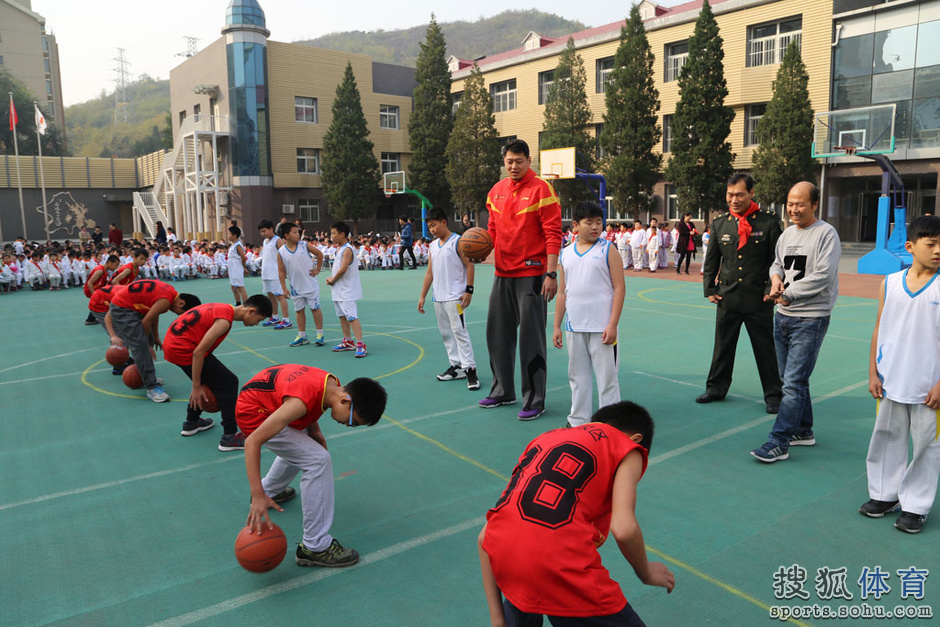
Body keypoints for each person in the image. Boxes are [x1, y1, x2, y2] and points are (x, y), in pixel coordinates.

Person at [478, 401, 675, 626]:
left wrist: (497, 618)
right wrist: (646, 573)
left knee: (526, 588)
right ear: (636, 440)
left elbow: (485, 537)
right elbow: (623, 528)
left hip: (508, 559)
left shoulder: (546, 438)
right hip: (561, 565)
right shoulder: (627, 448)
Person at [238, 364, 387, 567]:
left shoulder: (331, 384)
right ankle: (315, 546)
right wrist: (256, 496)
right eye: (353, 421)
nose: (348, 425)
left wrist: (314, 429)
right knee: (318, 460)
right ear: (346, 401)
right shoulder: (301, 402)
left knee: (307, 449)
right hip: (256, 414)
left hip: (266, 402)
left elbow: (309, 401)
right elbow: (252, 442)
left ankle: (270, 490)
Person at [750, 182, 841, 462]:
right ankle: (803, 430)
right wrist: (776, 279)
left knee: (792, 382)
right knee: (791, 379)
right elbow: (777, 263)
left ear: (815, 205)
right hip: (783, 316)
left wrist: (788, 293)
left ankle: (779, 441)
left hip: (810, 318)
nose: (794, 209)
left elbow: (823, 276)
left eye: (800, 204)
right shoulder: (787, 233)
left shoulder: (826, 234)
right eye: (790, 203)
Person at [861, 215, 940, 534]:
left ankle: (915, 505)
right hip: (891, 379)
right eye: (931, 244)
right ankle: (884, 494)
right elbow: (880, 327)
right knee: (886, 437)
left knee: (926, 446)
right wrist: (873, 372)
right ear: (910, 246)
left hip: (928, 386)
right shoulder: (890, 283)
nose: (938, 251)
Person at [480, 139, 562, 421]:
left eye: (519, 161)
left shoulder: (542, 189)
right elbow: (490, 232)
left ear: (529, 161)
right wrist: (479, 249)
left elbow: (553, 234)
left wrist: (551, 273)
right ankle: (503, 391)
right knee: (497, 335)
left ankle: (535, 399)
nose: (513, 166)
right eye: (509, 161)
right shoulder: (496, 192)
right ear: (504, 162)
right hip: (502, 273)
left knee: (531, 340)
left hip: (532, 274)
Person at [697, 173, 783, 414]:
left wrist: (770, 289)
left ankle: (773, 394)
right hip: (728, 296)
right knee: (723, 346)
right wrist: (709, 289)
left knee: (765, 348)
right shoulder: (720, 223)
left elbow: (777, 260)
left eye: (739, 194)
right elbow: (712, 259)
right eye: (730, 194)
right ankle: (716, 388)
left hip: (759, 298)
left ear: (751, 193)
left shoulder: (768, 222)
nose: (734, 200)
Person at [163, 296, 272, 451]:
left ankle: (191, 422)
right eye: (258, 319)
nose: (256, 323)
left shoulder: (222, 307)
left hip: (175, 344)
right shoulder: (224, 320)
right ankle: (230, 436)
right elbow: (198, 353)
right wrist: (196, 386)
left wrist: (200, 382)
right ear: (251, 311)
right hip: (184, 350)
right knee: (229, 382)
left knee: (213, 379)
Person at [553, 201, 625, 428]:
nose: (595, 227)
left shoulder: (607, 249)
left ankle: (610, 423)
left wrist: (612, 324)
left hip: (602, 327)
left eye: (598, 222)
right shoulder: (565, 254)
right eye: (589, 222)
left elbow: (619, 288)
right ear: (575, 225)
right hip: (575, 326)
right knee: (578, 377)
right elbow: (563, 292)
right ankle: (578, 420)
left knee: (607, 378)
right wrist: (557, 325)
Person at [105, 279, 200, 402]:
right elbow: (146, 321)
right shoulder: (166, 301)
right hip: (123, 309)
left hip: (133, 306)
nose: (178, 315)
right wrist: (147, 346)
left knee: (148, 340)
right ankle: (151, 387)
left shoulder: (170, 294)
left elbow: (153, 315)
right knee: (141, 346)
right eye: (181, 313)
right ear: (181, 303)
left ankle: (145, 375)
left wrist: (155, 337)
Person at [417, 208, 480, 391]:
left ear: (444, 222)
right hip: (438, 297)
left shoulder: (458, 242)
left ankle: (471, 370)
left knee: (460, 331)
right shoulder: (432, 246)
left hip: (455, 297)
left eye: (434, 225)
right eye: (429, 227)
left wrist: (469, 290)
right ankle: (456, 366)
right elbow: (430, 272)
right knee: (446, 333)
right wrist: (423, 295)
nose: (432, 229)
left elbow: (469, 266)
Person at [277, 222, 326, 347]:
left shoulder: (304, 245)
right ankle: (302, 335)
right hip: (295, 287)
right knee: (299, 311)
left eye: (298, 232)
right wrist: (284, 288)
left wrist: (317, 269)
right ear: (286, 235)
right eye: (294, 232)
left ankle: (320, 334)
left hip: (310, 285)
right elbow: (281, 271)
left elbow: (320, 254)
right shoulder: (281, 252)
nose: (298, 234)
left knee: (315, 309)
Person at [325, 221, 367, 357]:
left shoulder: (347, 249)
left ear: (342, 234)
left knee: (352, 317)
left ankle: (360, 344)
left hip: (346, 291)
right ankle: (348, 341)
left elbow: (343, 269)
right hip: (338, 289)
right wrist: (332, 280)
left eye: (333, 233)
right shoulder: (338, 249)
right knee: (342, 316)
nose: (331, 236)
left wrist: (332, 279)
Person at [257, 220, 292, 329]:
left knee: (280, 296)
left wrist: (285, 271)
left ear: (271, 229)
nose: (263, 233)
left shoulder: (278, 241)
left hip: (276, 273)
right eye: (261, 232)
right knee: (271, 296)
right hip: (266, 273)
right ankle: (275, 317)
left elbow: (285, 256)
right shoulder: (265, 242)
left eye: (265, 231)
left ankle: (286, 320)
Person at [227, 226, 248, 306]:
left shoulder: (238, 245)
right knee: (233, 287)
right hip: (232, 268)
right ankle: (238, 303)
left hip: (236, 267)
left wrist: (243, 267)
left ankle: (246, 305)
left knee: (240, 287)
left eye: (229, 234)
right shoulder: (233, 244)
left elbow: (243, 257)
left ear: (234, 235)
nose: (228, 236)